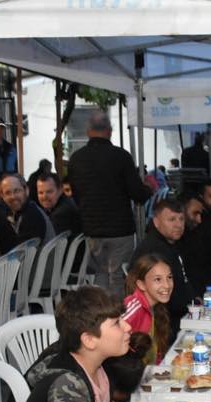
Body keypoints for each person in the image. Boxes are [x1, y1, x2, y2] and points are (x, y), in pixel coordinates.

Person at [67, 111, 151, 295]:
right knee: (119, 277)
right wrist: (148, 189)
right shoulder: (121, 157)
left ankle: (102, 310)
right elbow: (137, 194)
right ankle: (117, 310)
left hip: (91, 229)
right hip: (120, 229)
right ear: (110, 131)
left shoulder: (76, 159)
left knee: (100, 275)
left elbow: (76, 195)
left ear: (88, 131)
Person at [130, 199, 195, 330]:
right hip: (163, 322)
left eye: (181, 219)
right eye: (171, 219)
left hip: (178, 314)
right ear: (156, 222)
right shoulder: (153, 251)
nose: (178, 225)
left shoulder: (173, 244)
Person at [123, 254, 174, 365]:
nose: (167, 285)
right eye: (158, 279)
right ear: (141, 284)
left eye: (169, 277)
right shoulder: (133, 307)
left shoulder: (156, 306)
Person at [179, 194, 211, 294]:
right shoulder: (174, 241)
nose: (199, 220)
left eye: (200, 214)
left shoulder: (195, 234)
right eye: (195, 213)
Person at [0, 173, 55, 244]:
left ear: (26, 190)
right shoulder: (16, 213)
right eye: (8, 193)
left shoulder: (32, 215)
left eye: (17, 191)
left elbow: (23, 249)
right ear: (3, 197)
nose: (13, 196)